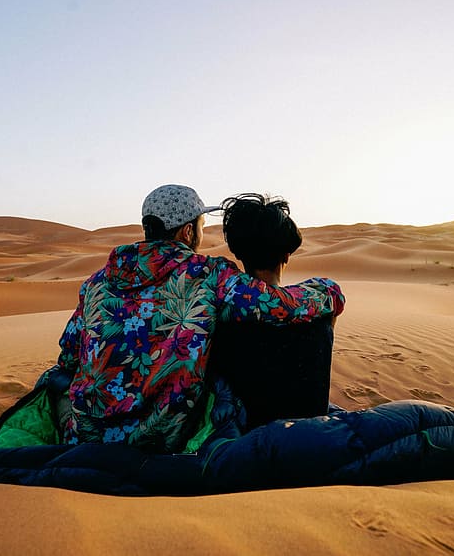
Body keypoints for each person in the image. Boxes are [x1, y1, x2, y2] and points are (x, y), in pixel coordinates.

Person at [53, 184, 344, 453]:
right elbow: (277, 304)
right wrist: (329, 291)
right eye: (202, 226)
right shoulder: (207, 274)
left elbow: (69, 355)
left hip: (83, 435)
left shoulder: (97, 282)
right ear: (188, 233)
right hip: (159, 438)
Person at [207, 193, 335, 429]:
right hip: (313, 435)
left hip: (245, 441)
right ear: (286, 255)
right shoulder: (322, 306)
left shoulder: (220, 318)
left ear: (238, 254)